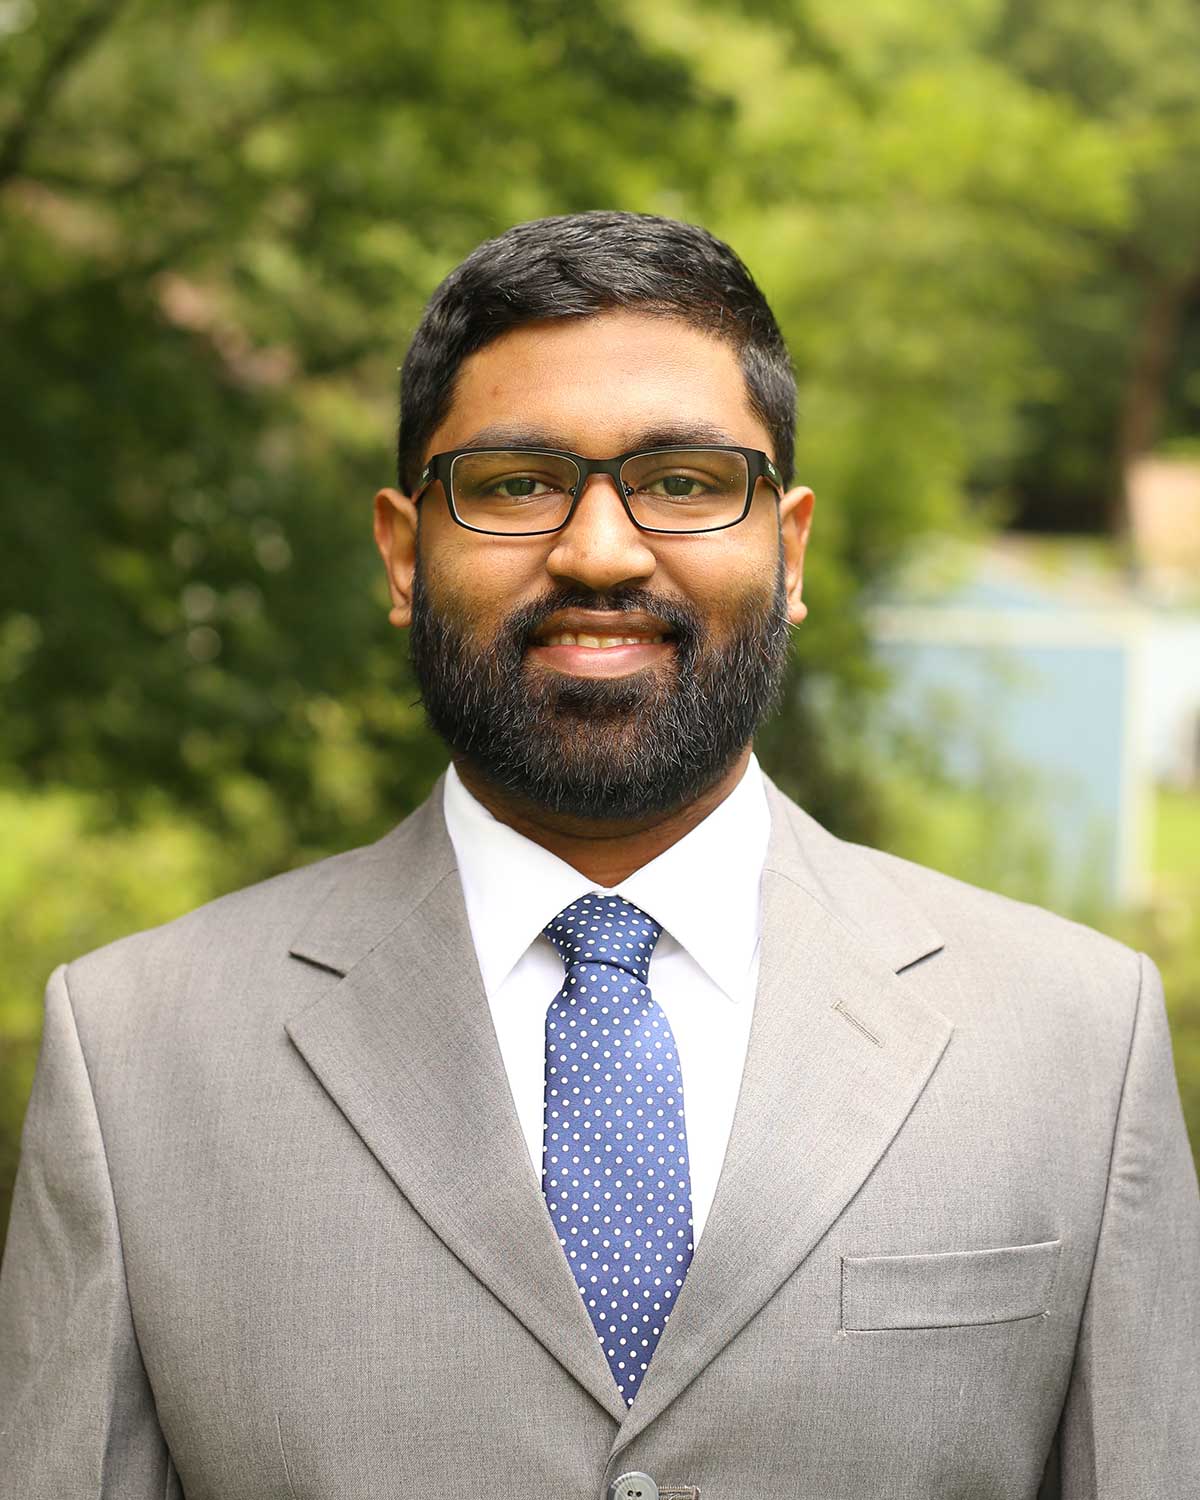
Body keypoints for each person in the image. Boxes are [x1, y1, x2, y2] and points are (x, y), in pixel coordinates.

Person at [1, 211, 1196, 1500]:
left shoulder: (1075, 1040)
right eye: (515, 484)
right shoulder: (131, 1052)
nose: (601, 551)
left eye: (685, 481)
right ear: (405, 552)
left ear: (788, 548)